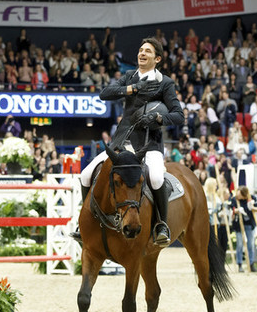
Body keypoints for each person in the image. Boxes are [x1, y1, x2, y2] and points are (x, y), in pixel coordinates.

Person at [75, 37, 184, 246]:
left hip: (148, 142)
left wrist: (159, 118)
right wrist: (131, 88)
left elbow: (178, 115)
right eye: (141, 50)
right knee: (86, 174)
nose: (142, 53)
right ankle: (84, 224)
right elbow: (104, 94)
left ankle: (161, 224)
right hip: (122, 141)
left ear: (157, 58)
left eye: (148, 51)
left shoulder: (165, 83)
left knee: (156, 178)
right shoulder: (129, 77)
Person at [231, 186, 257, 272]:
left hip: (249, 224)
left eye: (240, 195)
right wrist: (236, 211)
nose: (238, 196)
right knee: (239, 244)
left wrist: (252, 207)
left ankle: (251, 264)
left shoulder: (251, 198)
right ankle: (239, 264)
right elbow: (232, 210)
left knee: (250, 244)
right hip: (238, 224)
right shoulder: (234, 199)